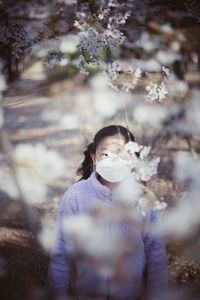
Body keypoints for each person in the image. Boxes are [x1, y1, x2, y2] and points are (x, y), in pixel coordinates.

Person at [47, 125, 168, 300]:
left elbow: (155, 253)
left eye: (121, 153)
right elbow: (61, 252)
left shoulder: (143, 198)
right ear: (94, 157)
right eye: (105, 153)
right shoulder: (75, 196)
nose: (113, 160)